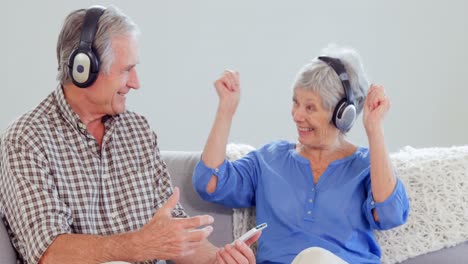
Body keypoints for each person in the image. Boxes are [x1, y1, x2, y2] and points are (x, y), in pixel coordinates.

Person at [0, 5, 259, 264]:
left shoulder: (138, 131)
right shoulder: (26, 140)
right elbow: (50, 252)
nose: (136, 82)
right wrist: (137, 245)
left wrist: (218, 259)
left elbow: (175, 235)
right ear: (84, 69)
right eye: (126, 70)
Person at [192, 45, 410, 263]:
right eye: (295, 102)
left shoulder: (366, 166)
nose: (297, 115)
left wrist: (374, 129)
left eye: (310, 108)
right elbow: (209, 182)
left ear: (342, 115)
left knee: (312, 258)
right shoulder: (270, 159)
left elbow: (389, 214)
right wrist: (226, 109)